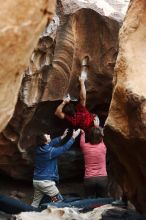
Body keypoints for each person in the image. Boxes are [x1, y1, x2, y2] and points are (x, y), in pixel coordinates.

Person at [31, 128, 80, 208]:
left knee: (35, 203)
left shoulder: (38, 149)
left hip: (36, 181)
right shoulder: (50, 152)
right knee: (58, 200)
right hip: (46, 183)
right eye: (47, 136)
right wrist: (73, 137)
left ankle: (28, 215)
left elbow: (50, 143)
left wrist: (62, 137)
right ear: (44, 141)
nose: (49, 135)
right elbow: (64, 148)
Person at [55, 56, 100, 136]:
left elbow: (57, 113)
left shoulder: (75, 117)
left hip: (93, 124)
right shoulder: (76, 116)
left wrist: (64, 103)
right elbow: (83, 98)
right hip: (93, 129)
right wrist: (81, 82)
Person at [80, 127, 108, 198]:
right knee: (103, 202)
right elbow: (102, 137)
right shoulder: (103, 146)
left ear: (89, 136)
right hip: (102, 179)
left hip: (89, 179)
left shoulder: (85, 146)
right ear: (100, 137)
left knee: (89, 203)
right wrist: (98, 126)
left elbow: (82, 141)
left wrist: (82, 133)